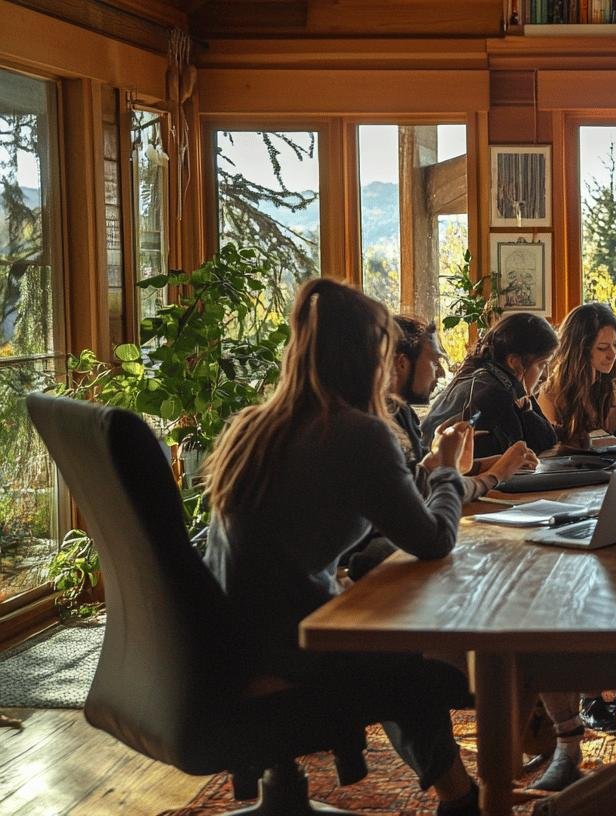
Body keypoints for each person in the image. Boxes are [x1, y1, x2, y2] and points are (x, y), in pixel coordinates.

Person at [202, 278, 523, 816]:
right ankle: (463, 802)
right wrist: (447, 472)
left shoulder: (256, 425)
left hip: (222, 643)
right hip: (284, 652)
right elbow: (434, 541)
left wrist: (434, 478)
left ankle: (458, 797)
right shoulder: (354, 433)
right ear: (366, 357)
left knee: (394, 645)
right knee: (428, 674)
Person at [345, 315, 538, 581]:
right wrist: (488, 474)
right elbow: (435, 537)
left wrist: (451, 463)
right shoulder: (369, 430)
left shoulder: (402, 416)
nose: (442, 372)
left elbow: (415, 486)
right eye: (435, 360)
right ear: (401, 363)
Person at [423, 312, 559, 458]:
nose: (545, 375)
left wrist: (527, 405)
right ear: (514, 362)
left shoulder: (487, 379)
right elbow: (523, 449)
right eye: (542, 365)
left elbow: (547, 439)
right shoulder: (492, 394)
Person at [537, 302, 616, 448]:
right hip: (577, 468)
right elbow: (549, 447)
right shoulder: (552, 391)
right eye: (603, 348)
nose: (613, 354)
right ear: (581, 350)